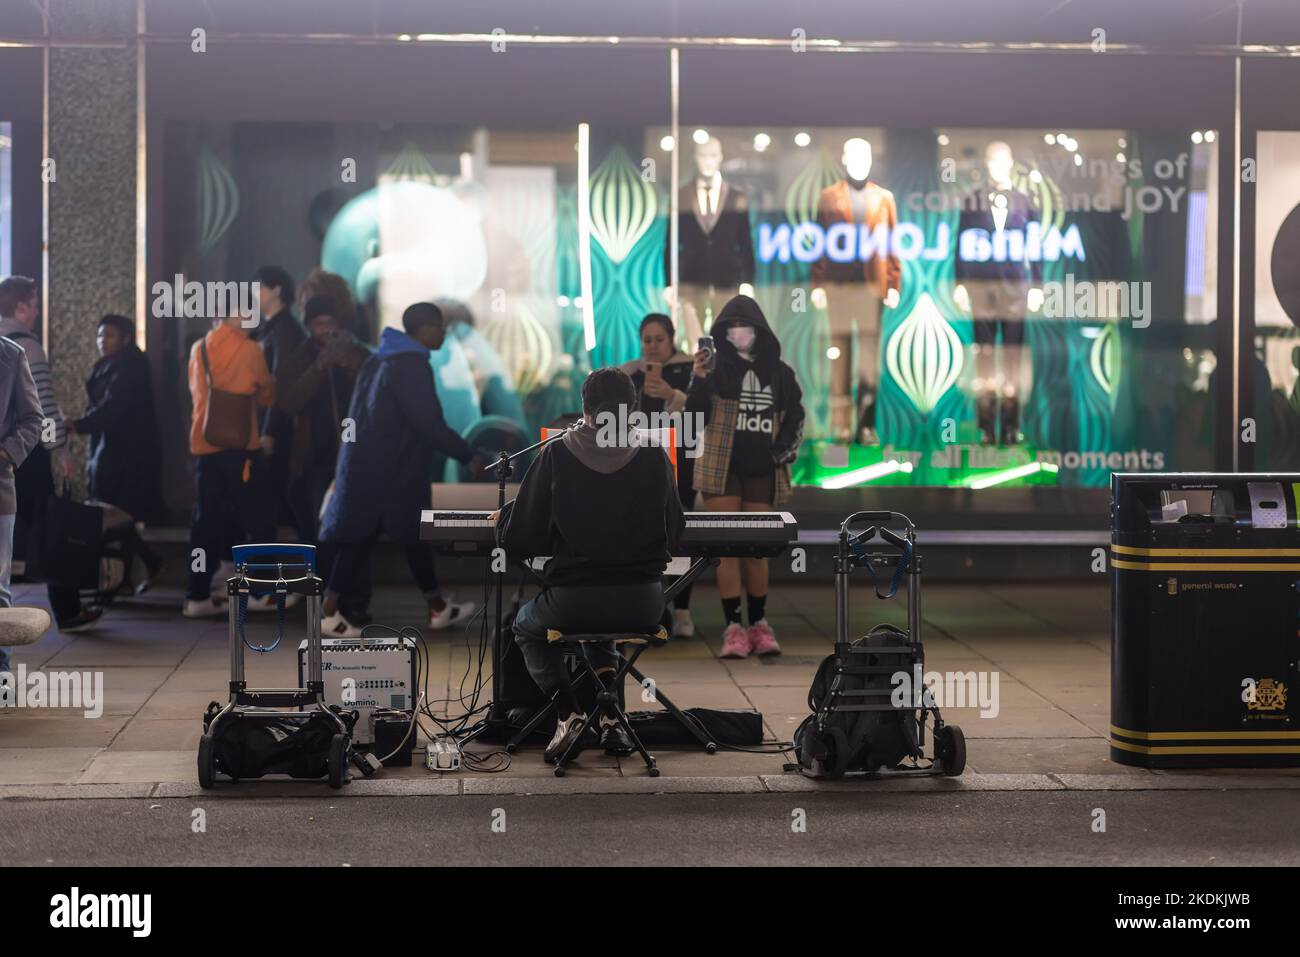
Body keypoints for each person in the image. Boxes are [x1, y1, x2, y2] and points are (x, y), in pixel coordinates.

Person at [500, 367, 685, 762]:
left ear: (584, 407)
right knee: (602, 634)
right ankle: (611, 721)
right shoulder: (654, 454)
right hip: (645, 603)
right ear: (633, 408)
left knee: (525, 627)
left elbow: (522, 538)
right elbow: (676, 529)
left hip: (575, 600)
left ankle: (569, 714)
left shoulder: (557, 454)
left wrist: (506, 521)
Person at [318, 302, 481, 637]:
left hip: (372, 469)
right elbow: (428, 423)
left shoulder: (380, 359)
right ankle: (328, 613)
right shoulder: (409, 365)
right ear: (424, 330)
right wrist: (468, 455)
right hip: (392, 473)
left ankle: (436, 607)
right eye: (440, 326)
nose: (444, 332)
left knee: (388, 538)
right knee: (387, 538)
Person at [687, 294, 805, 659]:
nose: (739, 333)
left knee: (757, 552)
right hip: (720, 467)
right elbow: (695, 416)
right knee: (727, 552)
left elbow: (795, 416)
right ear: (722, 333)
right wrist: (699, 379)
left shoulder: (779, 372)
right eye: (732, 328)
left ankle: (759, 624)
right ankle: (733, 628)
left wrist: (780, 452)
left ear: (759, 330)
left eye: (746, 327)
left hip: (761, 469)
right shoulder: (715, 369)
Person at [54, 315, 165, 627]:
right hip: (111, 450)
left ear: (126, 337)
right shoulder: (111, 364)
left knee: (113, 514)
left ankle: (123, 578)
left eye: (110, 335)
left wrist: (79, 424)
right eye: (100, 335)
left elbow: (113, 408)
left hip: (127, 454)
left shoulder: (129, 366)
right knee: (115, 515)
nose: (103, 340)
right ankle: (134, 572)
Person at [275, 295, 371, 618]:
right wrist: (319, 367)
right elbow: (288, 401)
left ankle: (354, 599)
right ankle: (326, 597)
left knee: (354, 528)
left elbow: (373, 389)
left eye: (331, 324)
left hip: (353, 454)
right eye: (319, 324)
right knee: (322, 531)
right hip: (314, 457)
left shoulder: (357, 353)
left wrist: (350, 362)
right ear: (309, 326)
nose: (325, 331)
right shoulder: (299, 357)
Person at [183, 312, 276, 618]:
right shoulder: (250, 349)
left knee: (204, 522)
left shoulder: (199, 348)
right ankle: (262, 590)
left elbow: (196, 395)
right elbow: (266, 393)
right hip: (241, 449)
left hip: (206, 446)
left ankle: (196, 596)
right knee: (257, 519)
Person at [619, 312, 698, 637]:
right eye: (647, 340)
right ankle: (653, 605)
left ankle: (681, 608)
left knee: (680, 533)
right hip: (640, 464)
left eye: (659, 339)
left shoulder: (691, 369)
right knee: (644, 532)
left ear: (672, 338)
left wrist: (670, 394)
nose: (652, 346)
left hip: (683, 460)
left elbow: (701, 413)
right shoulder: (628, 373)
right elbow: (618, 418)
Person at [0, 333, 44, 676]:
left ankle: (1, 679)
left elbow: (33, 420)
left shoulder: (11, 355)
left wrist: (5, 454)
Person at [251, 266, 307, 536]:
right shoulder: (268, 328)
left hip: (278, 425)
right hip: (265, 422)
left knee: (277, 498)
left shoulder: (285, 329)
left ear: (276, 290)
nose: (254, 294)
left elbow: (280, 382)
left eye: (259, 288)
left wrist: (270, 431)